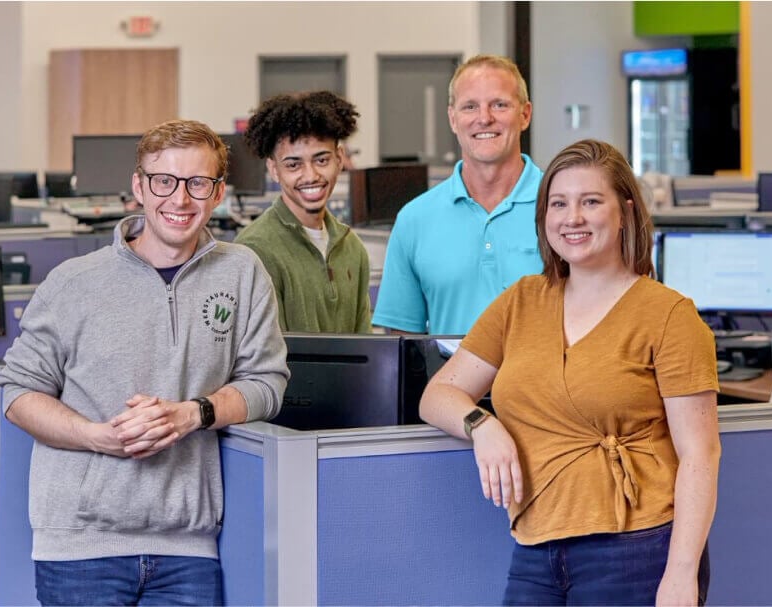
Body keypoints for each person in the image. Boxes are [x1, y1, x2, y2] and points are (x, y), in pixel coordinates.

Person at [0, 119, 289, 606]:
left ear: (218, 192)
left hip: (188, 547)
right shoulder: (74, 281)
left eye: (198, 182)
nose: (180, 200)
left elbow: (267, 383)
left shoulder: (242, 274)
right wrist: (98, 437)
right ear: (139, 186)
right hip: (79, 547)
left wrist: (192, 413)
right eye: (164, 181)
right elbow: (19, 393)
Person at [419, 139, 720, 605]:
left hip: (638, 546)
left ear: (624, 212)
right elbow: (439, 395)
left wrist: (681, 574)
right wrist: (483, 426)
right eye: (558, 203)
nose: (572, 218)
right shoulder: (521, 301)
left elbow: (701, 455)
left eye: (590, 202)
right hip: (536, 544)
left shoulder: (670, 315)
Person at [372, 54, 543, 335]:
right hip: (448, 379)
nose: (484, 118)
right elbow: (403, 337)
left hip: (545, 380)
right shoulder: (415, 219)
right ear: (453, 118)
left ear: (525, 115)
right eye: (470, 107)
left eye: (499, 105)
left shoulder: (563, 208)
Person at [235, 90, 372, 333]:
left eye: (321, 160)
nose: (310, 176)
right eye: (293, 165)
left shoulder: (352, 247)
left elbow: (365, 345)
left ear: (339, 159)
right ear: (273, 169)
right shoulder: (255, 250)